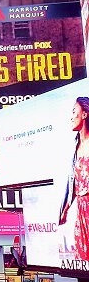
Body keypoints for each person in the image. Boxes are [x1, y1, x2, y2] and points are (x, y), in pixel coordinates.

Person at [60, 97, 89, 258]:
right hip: (81, 209)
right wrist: (66, 208)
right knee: (83, 260)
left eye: (74, 112)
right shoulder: (75, 147)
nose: (71, 117)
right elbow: (73, 181)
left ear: (84, 114)